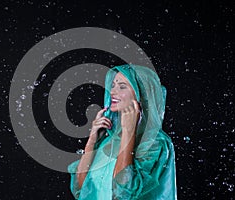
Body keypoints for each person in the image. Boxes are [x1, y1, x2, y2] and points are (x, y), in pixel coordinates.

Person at [68, 64, 177, 199]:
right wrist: (92, 141)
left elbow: (124, 192)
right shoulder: (109, 140)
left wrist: (129, 132)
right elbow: (81, 189)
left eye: (122, 86)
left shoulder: (155, 143)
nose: (112, 92)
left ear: (141, 94)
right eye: (113, 85)